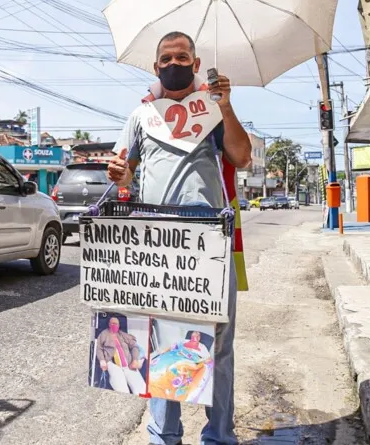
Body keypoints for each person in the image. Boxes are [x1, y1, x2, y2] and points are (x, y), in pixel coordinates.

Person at [108, 31, 251, 445]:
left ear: (195, 62)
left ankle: (219, 437)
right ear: (156, 67)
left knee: (218, 346)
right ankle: (163, 437)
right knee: (158, 342)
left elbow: (241, 157)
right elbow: (124, 169)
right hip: (155, 244)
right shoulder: (141, 116)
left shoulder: (212, 109)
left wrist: (225, 105)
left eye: (183, 57)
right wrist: (120, 173)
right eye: (167, 58)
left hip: (208, 241)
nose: (175, 63)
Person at [96, 316, 147, 395]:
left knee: (141, 390)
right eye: (112, 323)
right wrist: (102, 360)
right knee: (122, 390)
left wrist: (135, 360)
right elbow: (99, 348)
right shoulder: (103, 334)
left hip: (129, 364)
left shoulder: (123, 334)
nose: (114, 325)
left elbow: (135, 346)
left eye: (116, 324)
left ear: (119, 325)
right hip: (113, 365)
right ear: (109, 324)